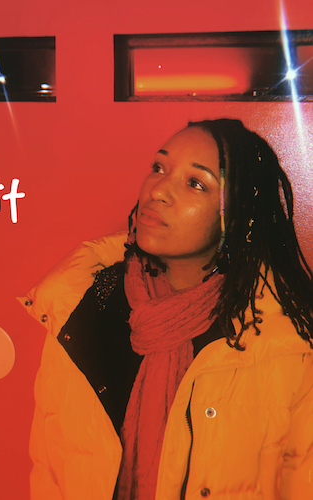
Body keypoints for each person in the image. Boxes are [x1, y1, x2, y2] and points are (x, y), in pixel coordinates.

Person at [19, 119, 313, 500]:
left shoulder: (285, 340)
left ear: (238, 216)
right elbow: (49, 468)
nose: (157, 190)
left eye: (196, 183)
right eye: (159, 168)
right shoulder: (83, 305)